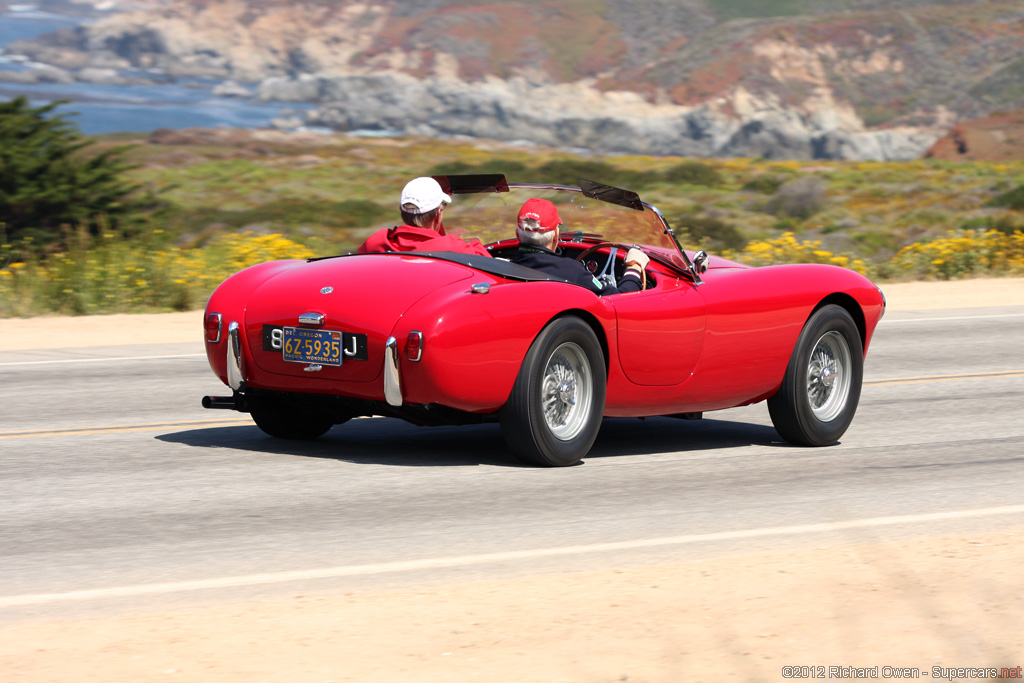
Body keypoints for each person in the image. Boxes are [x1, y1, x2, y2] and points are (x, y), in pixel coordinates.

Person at [510, 197, 648, 295]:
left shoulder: (504, 266)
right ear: (555, 235)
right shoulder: (571, 270)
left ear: (517, 234)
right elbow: (621, 297)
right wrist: (634, 267)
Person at [358, 177, 491, 257]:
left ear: (401, 210)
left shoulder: (376, 242)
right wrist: (473, 243)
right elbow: (491, 267)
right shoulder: (455, 249)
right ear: (438, 213)